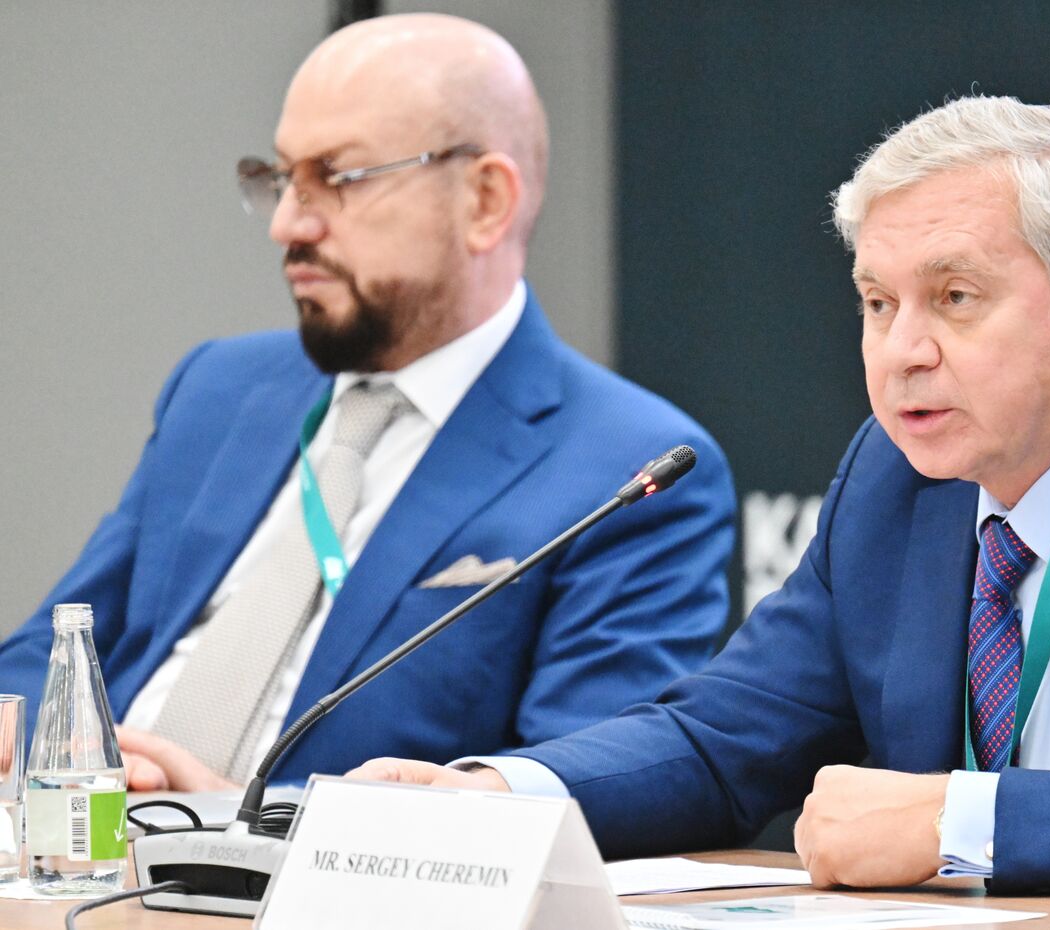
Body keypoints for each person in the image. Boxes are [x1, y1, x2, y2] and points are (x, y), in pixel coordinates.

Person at [349, 95, 1050, 902]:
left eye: (954, 297)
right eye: (876, 303)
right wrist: (497, 800)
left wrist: (961, 822)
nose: (902, 353)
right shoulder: (897, 482)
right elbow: (724, 738)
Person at [0, 14, 735, 792]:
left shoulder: (627, 471)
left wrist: (243, 827)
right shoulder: (219, 389)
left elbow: (566, 790)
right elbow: (55, 651)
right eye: (281, 178)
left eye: (338, 178)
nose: (287, 222)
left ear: (485, 200)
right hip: (75, 840)